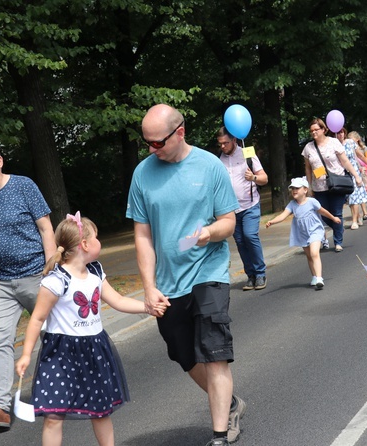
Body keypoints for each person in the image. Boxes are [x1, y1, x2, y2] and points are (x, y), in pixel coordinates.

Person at [126, 104, 245, 446]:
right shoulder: (142, 174)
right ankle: (230, 402)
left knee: (214, 352)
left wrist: (209, 233)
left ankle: (219, 435)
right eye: (147, 142)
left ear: (180, 132)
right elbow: (142, 236)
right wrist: (148, 287)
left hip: (209, 272)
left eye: (158, 142)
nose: (152, 149)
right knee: (183, 353)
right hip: (167, 282)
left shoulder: (210, 167)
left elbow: (228, 221)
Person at [15, 213, 166, 446]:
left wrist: (148, 308)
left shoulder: (95, 272)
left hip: (94, 349)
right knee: (54, 415)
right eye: (96, 237)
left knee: (101, 411)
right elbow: (37, 319)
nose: (99, 241)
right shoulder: (56, 281)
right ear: (85, 244)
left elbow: (117, 300)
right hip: (60, 355)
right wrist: (26, 354)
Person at [0, 141, 55, 430]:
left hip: (35, 275)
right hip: (1, 281)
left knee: (54, 332)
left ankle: (70, 382)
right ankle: (0, 409)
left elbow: (45, 228)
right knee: (0, 341)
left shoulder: (24, 186)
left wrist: (51, 271)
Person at [217, 127, 269, 291]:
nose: (223, 147)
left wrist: (253, 177)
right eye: (220, 144)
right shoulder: (220, 160)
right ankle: (251, 275)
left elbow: (264, 179)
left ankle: (260, 273)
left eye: (225, 143)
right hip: (231, 209)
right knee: (240, 242)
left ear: (234, 140)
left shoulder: (247, 153)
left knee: (250, 235)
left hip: (250, 205)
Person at [265, 177, 340, 290]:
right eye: (293, 188)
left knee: (314, 253)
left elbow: (323, 211)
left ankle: (319, 278)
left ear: (305, 190)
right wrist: (272, 221)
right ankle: (314, 276)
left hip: (315, 230)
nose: (294, 190)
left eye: (297, 188)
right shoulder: (292, 204)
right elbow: (283, 215)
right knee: (309, 256)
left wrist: (333, 218)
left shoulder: (312, 202)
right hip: (302, 233)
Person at [302, 118, 362, 253]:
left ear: (324, 129)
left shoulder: (334, 143)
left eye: (316, 130)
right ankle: (339, 228)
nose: (313, 133)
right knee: (323, 214)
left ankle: (338, 242)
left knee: (336, 212)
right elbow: (307, 168)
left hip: (336, 183)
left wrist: (356, 176)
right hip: (319, 186)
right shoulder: (308, 148)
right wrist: (309, 186)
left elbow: (345, 161)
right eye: (311, 131)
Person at [336, 128, 367, 230]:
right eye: (338, 133)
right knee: (350, 197)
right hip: (342, 173)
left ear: (344, 133)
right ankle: (357, 215)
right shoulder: (333, 145)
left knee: (354, 195)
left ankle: (354, 220)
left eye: (342, 132)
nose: (340, 134)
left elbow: (357, 155)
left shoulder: (350, 142)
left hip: (353, 171)